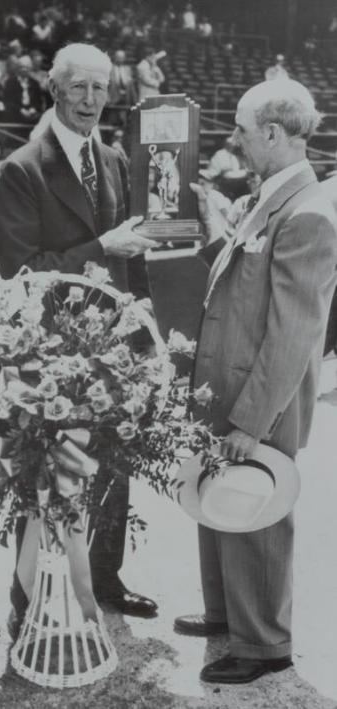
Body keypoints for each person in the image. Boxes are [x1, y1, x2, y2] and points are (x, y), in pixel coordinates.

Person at [0, 43, 160, 632]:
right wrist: (100, 249)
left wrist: (144, 335)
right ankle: (27, 593)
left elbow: (131, 258)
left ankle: (105, 578)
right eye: (79, 88)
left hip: (114, 346)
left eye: (100, 88)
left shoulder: (114, 159)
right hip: (51, 351)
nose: (91, 100)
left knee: (114, 467)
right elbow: (20, 270)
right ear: (54, 90)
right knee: (46, 475)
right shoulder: (22, 169)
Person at [174, 79, 337, 684]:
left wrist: (250, 420)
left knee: (255, 514)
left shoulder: (309, 214)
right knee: (219, 507)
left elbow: (294, 334)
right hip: (227, 385)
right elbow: (243, 281)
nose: (233, 139)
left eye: (241, 129)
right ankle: (227, 616)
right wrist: (208, 224)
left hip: (256, 401)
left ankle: (265, 643)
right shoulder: (266, 198)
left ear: (271, 133)